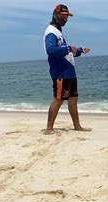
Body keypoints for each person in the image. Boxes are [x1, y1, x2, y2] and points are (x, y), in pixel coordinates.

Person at [43, 4, 91, 134]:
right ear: (56, 15)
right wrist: (69, 48)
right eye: (63, 16)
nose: (66, 19)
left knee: (73, 100)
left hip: (69, 72)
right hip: (60, 73)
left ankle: (77, 126)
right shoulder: (51, 32)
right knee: (58, 100)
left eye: (67, 16)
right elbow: (51, 50)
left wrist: (79, 51)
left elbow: (66, 52)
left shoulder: (59, 32)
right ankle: (49, 129)